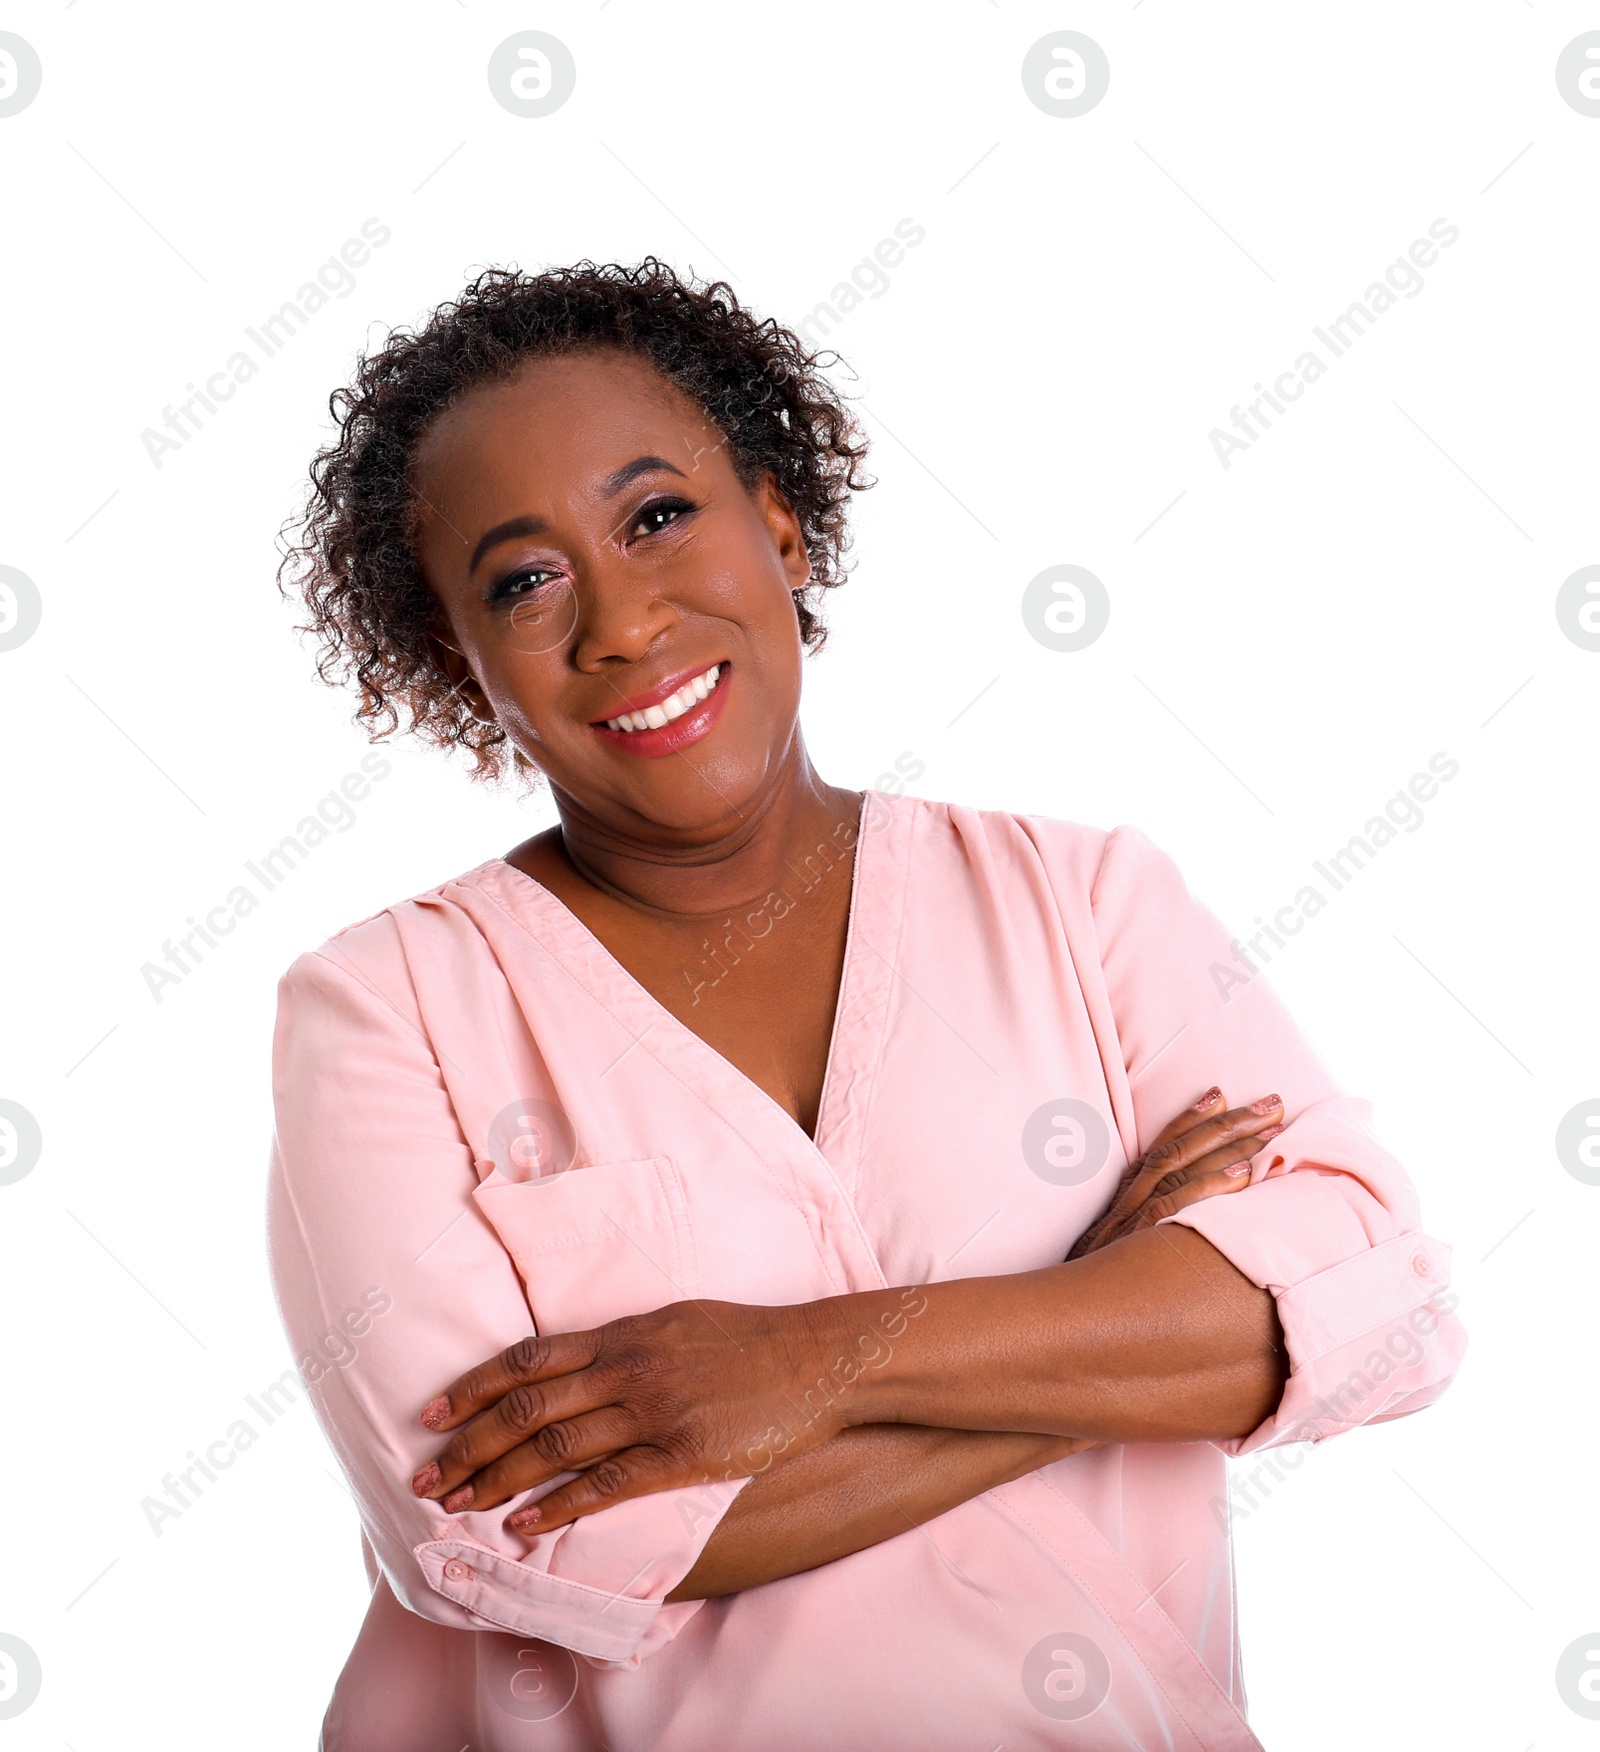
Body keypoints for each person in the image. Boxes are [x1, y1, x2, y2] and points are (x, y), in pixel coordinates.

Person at [267, 260, 1465, 1751]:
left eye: (657, 516)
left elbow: (1378, 1305)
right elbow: (513, 1543)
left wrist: (808, 1364)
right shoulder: (389, 1010)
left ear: (777, 519)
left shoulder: (1082, 900)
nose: (624, 623)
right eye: (525, 580)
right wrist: (1107, 1319)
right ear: (462, 655)